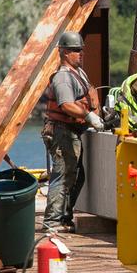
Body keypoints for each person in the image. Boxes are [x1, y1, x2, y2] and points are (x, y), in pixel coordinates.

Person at [41, 31, 102, 234]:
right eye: (76, 50)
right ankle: (52, 222)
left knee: (74, 176)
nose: (80, 54)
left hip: (71, 131)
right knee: (62, 176)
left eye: (81, 50)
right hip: (62, 132)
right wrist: (88, 116)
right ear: (64, 53)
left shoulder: (78, 74)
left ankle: (64, 217)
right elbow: (66, 105)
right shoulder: (63, 78)